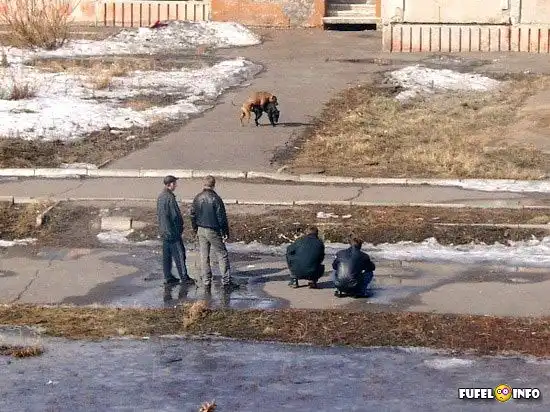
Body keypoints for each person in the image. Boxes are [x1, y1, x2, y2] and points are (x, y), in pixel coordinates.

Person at [190, 175, 239, 292]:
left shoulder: (197, 198)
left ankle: (206, 281)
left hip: (201, 229)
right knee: (222, 254)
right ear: (214, 185)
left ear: (204, 184)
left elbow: (192, 214)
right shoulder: (216, 199)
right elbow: (221, 217)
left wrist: (195, 228)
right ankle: (226, 281)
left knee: (204, 256)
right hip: (213, 229)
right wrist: (225, 231)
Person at [156, 175, 194, 286]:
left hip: (164, 230)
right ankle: (184, 277)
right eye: (174, 183)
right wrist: (180, 226)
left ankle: (168, 276)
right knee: (179, 254)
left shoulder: (161, 196)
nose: (176, 185)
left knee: (167, 256)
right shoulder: (169, 198)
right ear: (170, 184)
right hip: (172, 231)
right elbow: (175, 215)